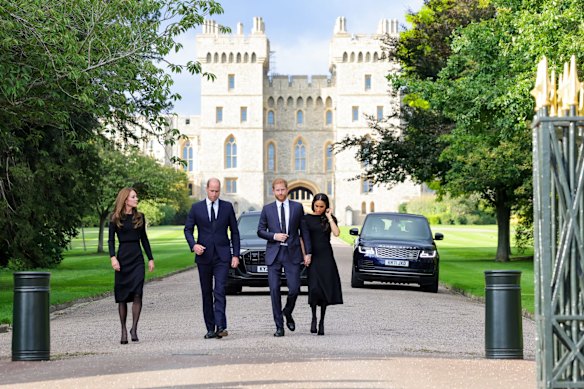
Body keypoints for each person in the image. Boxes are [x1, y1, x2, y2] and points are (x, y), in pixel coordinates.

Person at [184, 178, 240, 339]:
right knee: (206, 292)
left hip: (222, 256)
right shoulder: (196, 208)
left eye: (217, 191)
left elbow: (234, 232)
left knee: (220, 290)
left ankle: (221, 326)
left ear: (219, 190)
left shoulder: (227, 207)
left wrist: (235, 254)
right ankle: (210, 328)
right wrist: (194, 245)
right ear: (206, 189)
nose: (214, 194)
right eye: (212, 191)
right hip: (204, 256)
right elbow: (188, 229)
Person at [257, 178, 312, 337]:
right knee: (274, 290)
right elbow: (260, 230)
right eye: (277, 190)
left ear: (287, 190)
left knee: (294, 289)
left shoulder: (297, 207)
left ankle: (287, 311)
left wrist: (307, 252)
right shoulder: (267, 209)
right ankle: (279, 326)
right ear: (273, 191)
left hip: (292, 254)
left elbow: (304, 231)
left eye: (283, 189)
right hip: (274, 254)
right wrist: (274, 235)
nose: (280, 192)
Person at [108, 187, 154, 344]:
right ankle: (123, 330)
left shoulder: (140, 217)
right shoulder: (115, 218)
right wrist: (113, 258)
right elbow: (111, 241)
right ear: (126, 199)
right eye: (134, 197)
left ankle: (134, 328)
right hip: (122, 258)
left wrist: (150, 258)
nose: (136, 199)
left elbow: (144, 239)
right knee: (122, 297)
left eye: (136, 197)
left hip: (137, 259)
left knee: (137, 293)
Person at [303, 193, 343, 336]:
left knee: (325, 288)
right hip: (313, 257)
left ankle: (322, 322)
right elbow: (303, 238)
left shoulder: (328, 219)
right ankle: (313, 316)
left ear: (326, 207)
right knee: (314, 288)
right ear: (313, 204)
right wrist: (305, 254)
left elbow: (337, 233)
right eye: (317, 206)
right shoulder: (306, 219)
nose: (319, 209)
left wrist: (329, 217)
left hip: (326, 257)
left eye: (322, 206)